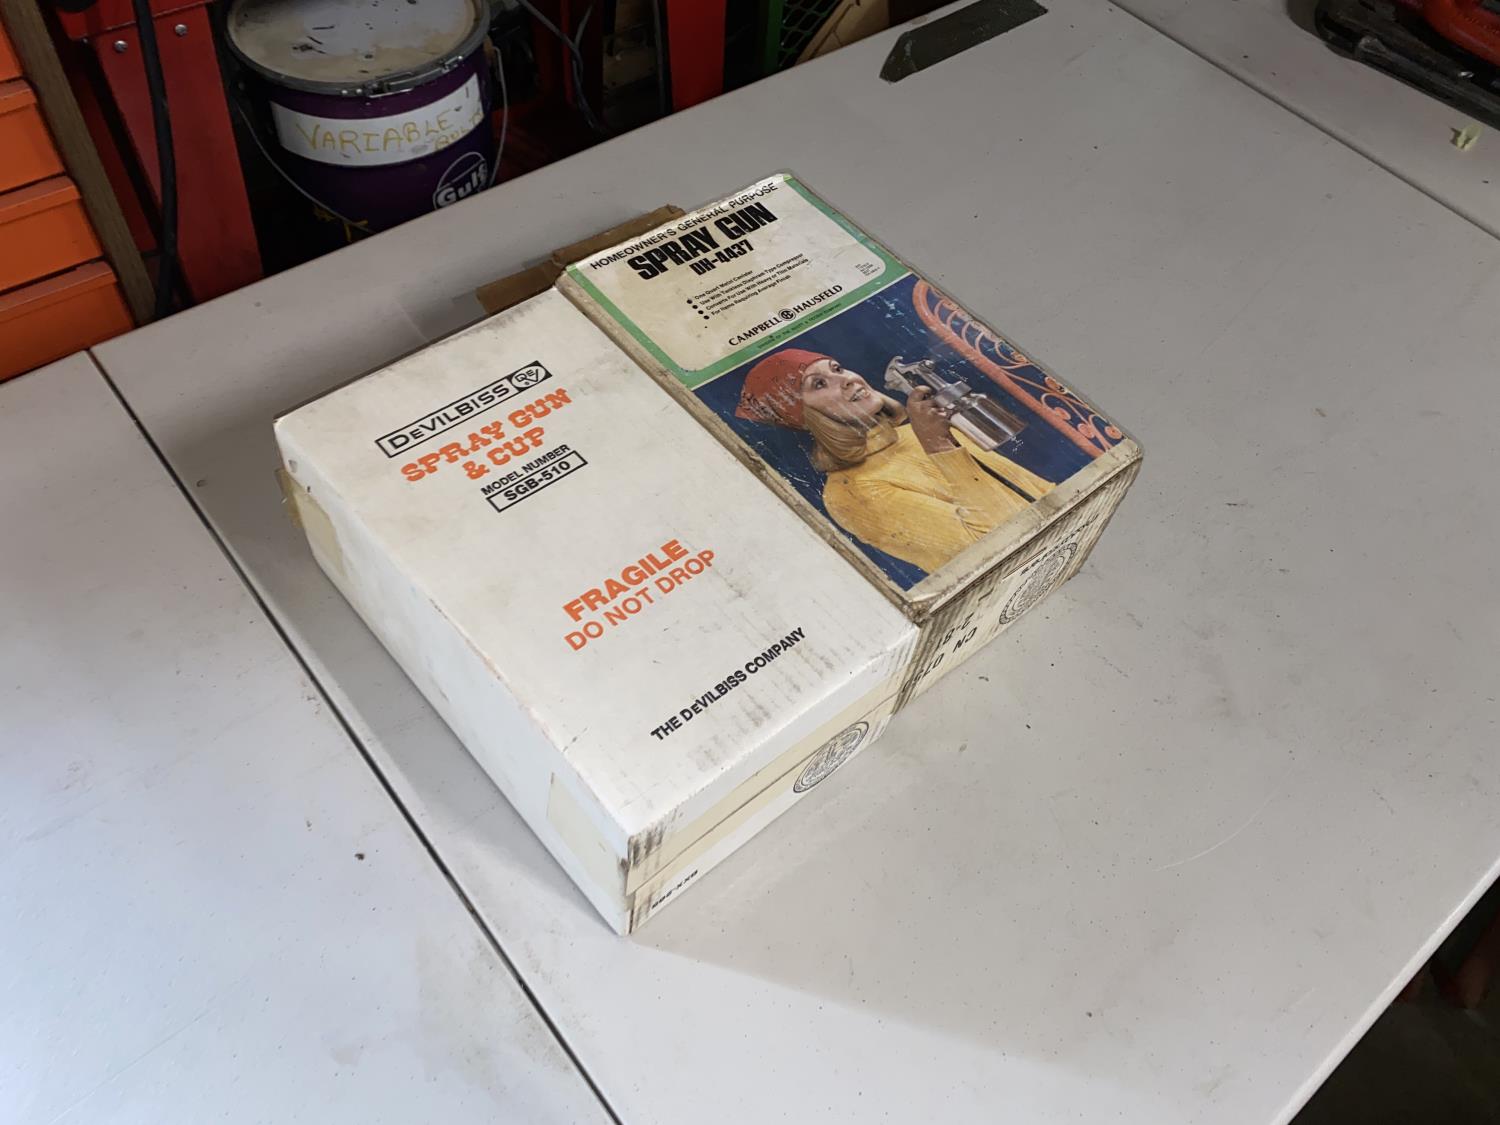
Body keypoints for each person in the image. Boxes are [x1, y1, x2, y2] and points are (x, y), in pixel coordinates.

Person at [735, 347, 1054, 576]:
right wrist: (938, 445)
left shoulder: (915, 433)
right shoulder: (851, 495)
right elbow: (994, 550)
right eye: (818, 383)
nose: (847, 379)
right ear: (802, 415)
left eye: (837, 368)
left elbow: (1040, 492)